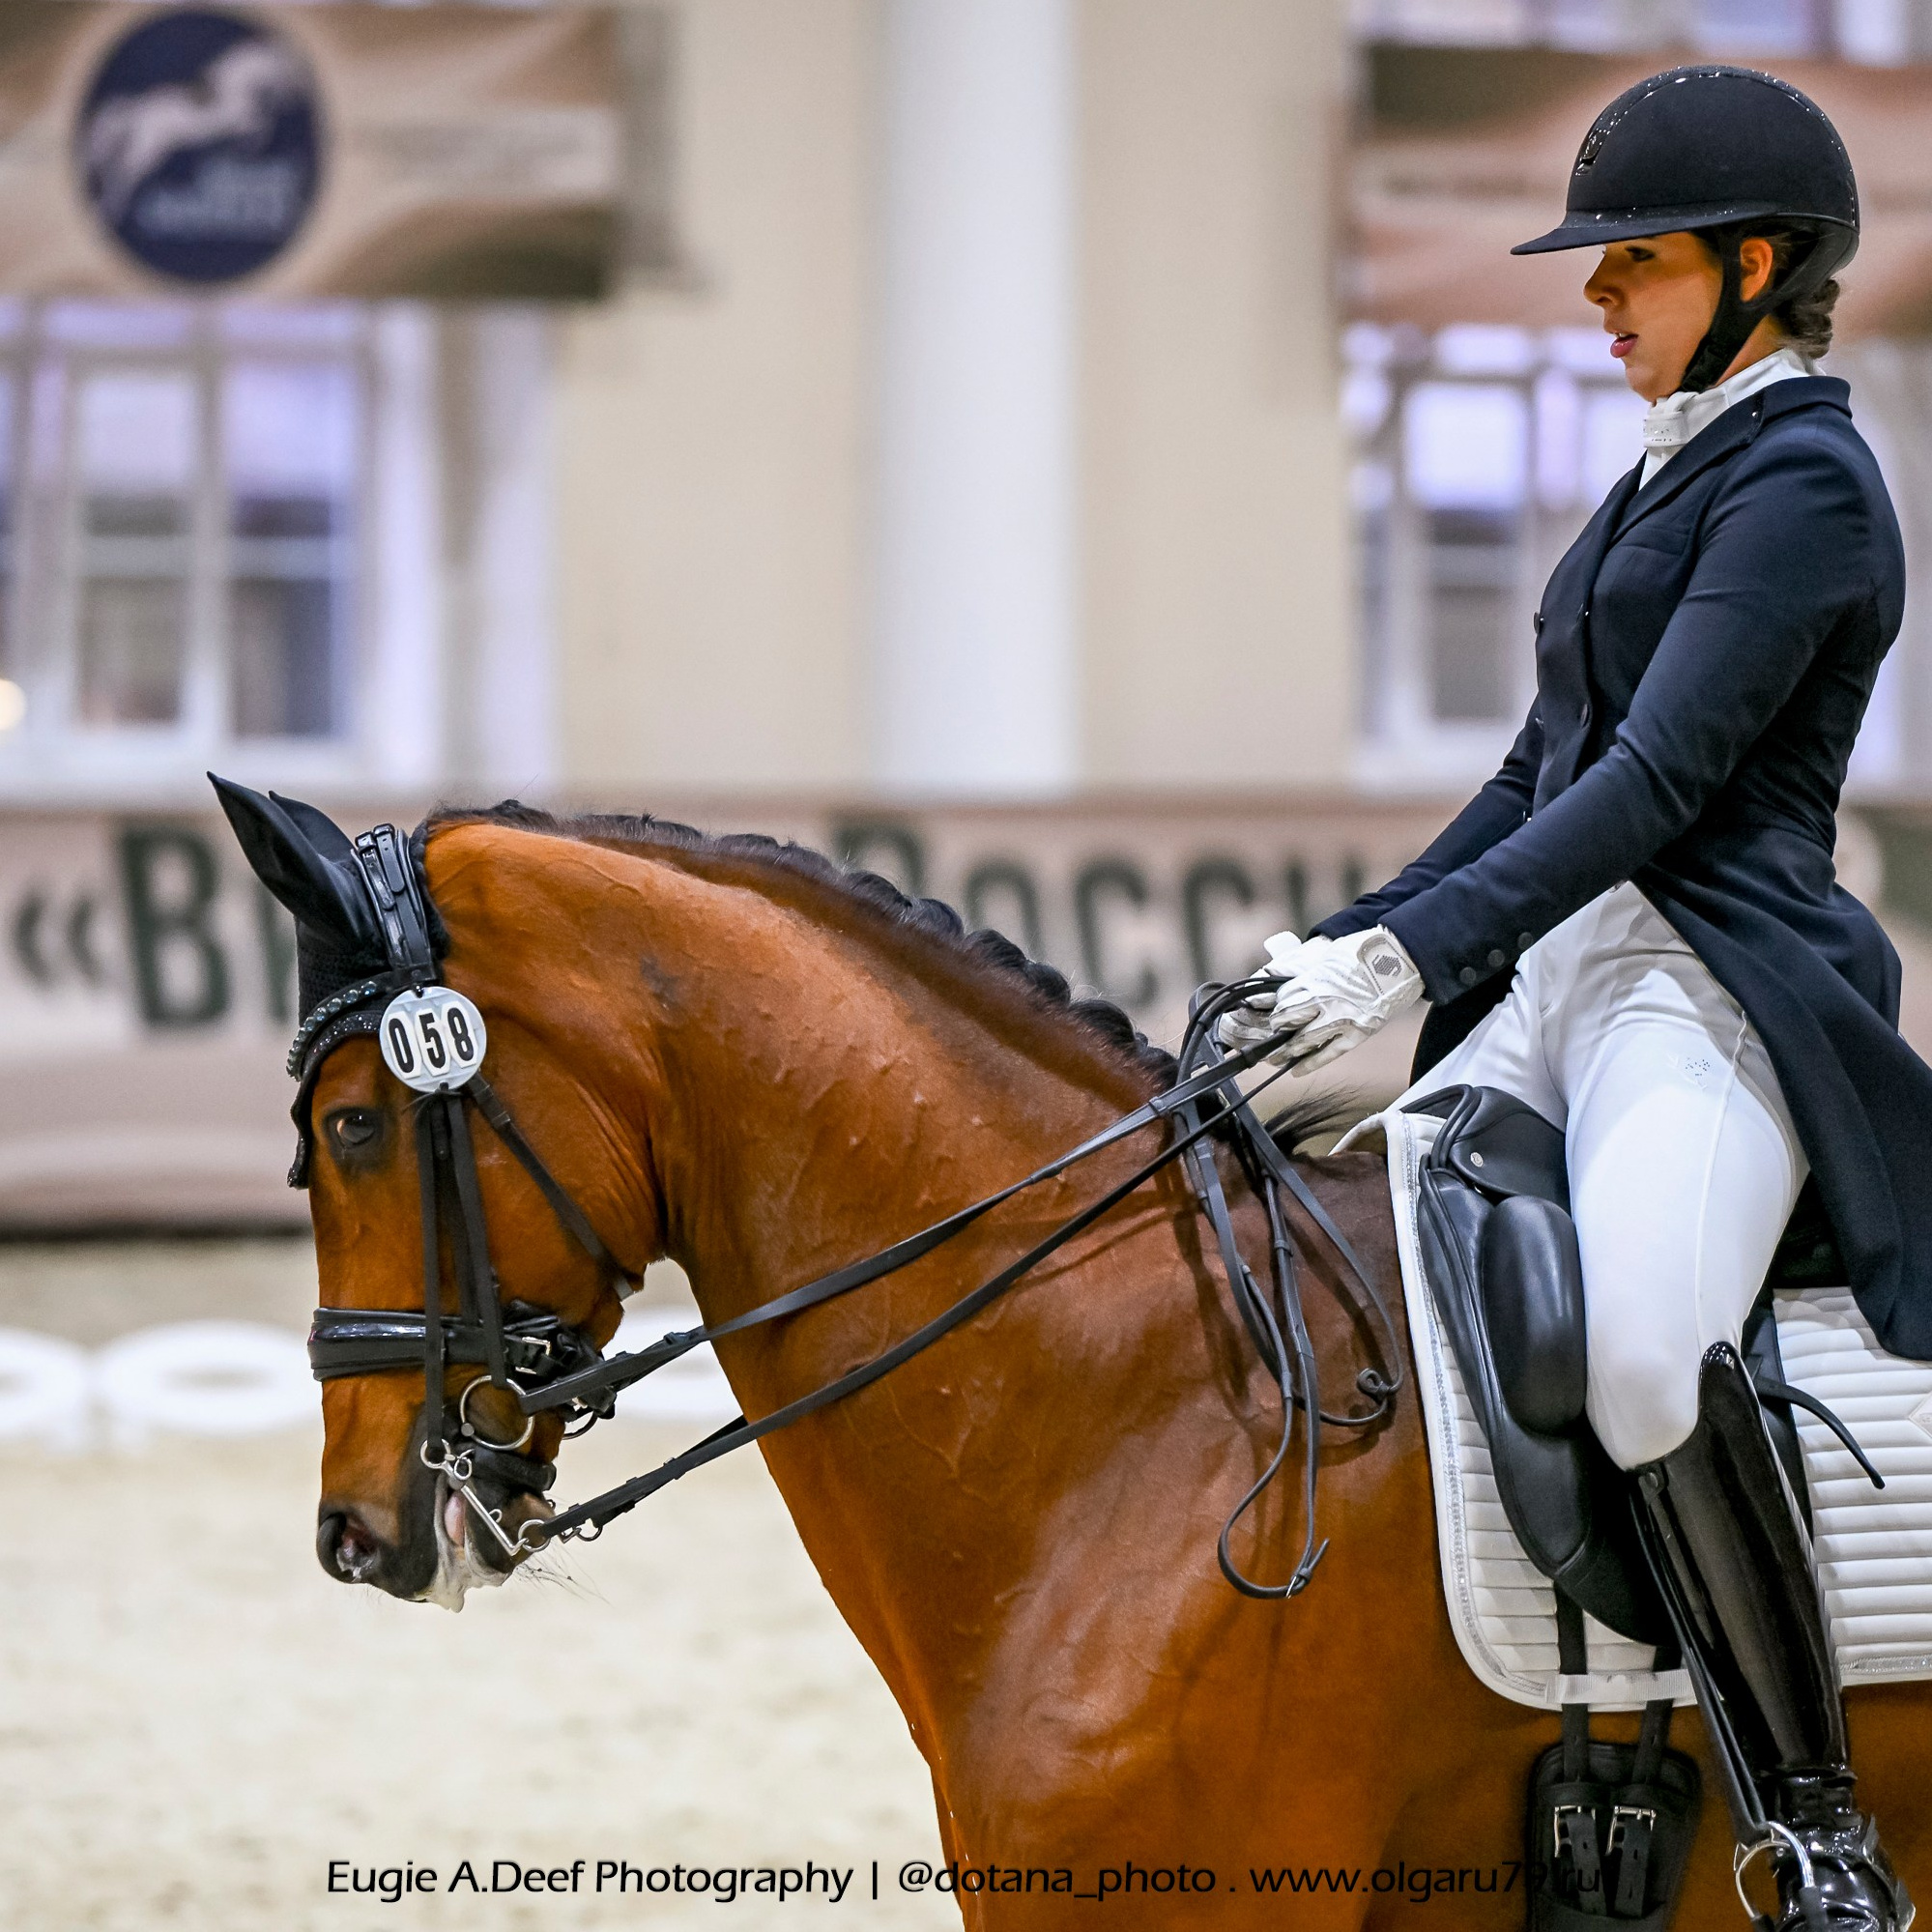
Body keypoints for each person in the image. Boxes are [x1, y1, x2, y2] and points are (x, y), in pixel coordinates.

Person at [1223, 65, 1924, 1932]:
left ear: (1759, 265)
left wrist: (1414, 960)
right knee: (1321, 1242)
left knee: (1636, 1356)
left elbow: (1659, 788)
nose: (1597, 293)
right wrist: (1350, 939)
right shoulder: (1663, 472)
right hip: (1561, 974)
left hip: (1709, 991)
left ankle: (1810, 1822)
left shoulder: (1812, 489)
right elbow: (1542, 776)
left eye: (1636, 261)